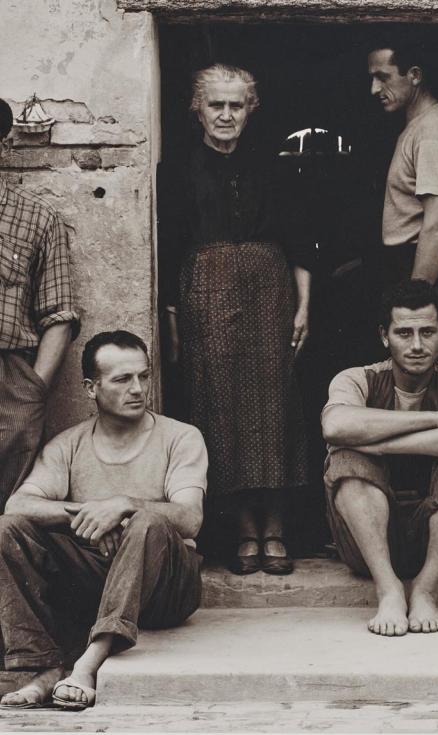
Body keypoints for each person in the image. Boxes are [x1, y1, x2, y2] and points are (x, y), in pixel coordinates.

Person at [0, 330, 207, 710]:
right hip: (98, 581)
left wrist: (126, 505)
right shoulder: (69, 444)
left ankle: (88, 662)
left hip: (167, 588)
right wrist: (93, 514)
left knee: (148, 521)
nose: (138, 389)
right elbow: (17, 506)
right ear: (90, 388)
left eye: (143, 376)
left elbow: (190, 518)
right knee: (5, 531)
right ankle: (42, 666)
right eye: (122, 379)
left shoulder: (181, 437)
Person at [159, 63, 312, 575]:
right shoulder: (177, 168)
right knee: (219, 404)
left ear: (251, 109)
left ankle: (278, 527)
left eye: (236, 105)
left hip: (270, 287)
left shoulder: (276, 163)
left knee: (275, 403)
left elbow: (299, 239)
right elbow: (170, 246)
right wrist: (175, 319)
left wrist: (304, 305)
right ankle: (245, 528)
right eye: (216, 105)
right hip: (205, 288)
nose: (226, 115)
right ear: (196, 109)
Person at [321, 279, 438, 636]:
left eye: (427, 332)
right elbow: (337, 426)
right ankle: (388, 590)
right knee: (347, 460)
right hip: (364, 544)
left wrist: (382, 442)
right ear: (384, 337)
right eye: (404, 333)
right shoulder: (359, 379)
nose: (416, 345)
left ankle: (424, 591)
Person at [368, 37, 438, 369]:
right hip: (409, 265)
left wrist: (416, 302)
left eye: (383, 77)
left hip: (424, 267)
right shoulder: (418, 127)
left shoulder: (435, 132)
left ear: (414, 75)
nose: (374, 88)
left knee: (423, 371)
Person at [0, 97, 79, 512]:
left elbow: (60, 313)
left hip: (11, 375)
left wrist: (33, 390)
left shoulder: (37, 218)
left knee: (9, 507)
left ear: (4, 145)